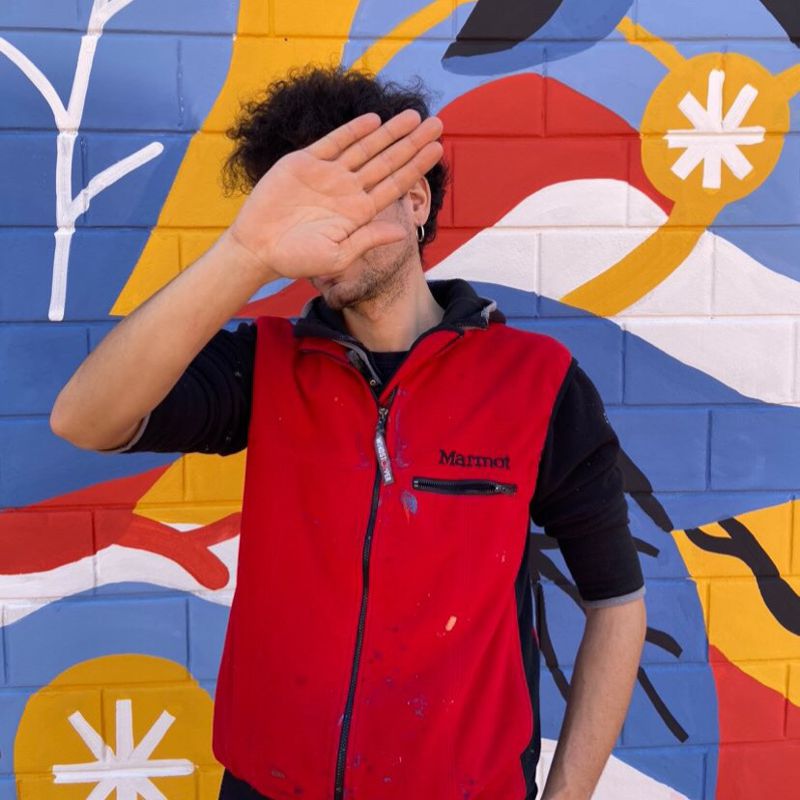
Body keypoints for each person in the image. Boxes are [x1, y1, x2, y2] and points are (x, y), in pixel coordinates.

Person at [51, 66, 646, 800]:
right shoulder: (265, 366)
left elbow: (616, 602)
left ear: (416, 199)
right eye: (302, 204)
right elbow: (84, 418)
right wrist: (246, 252)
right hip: (270, 786)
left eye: (350, 195)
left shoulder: (537, 382)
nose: (328, 227)